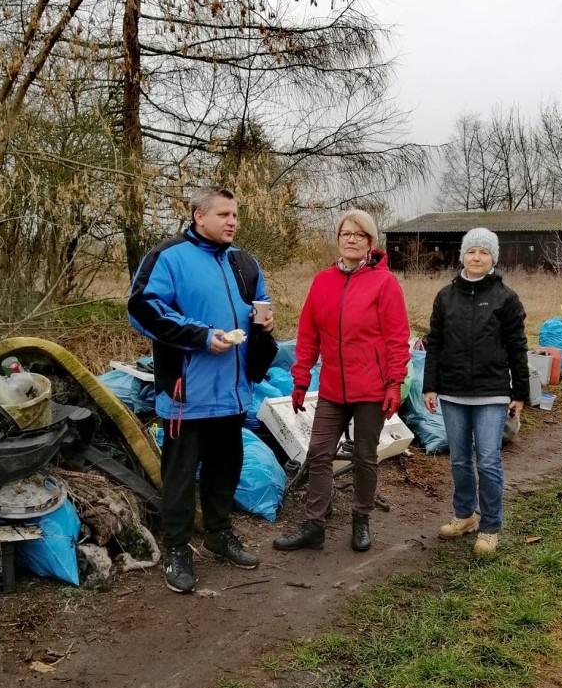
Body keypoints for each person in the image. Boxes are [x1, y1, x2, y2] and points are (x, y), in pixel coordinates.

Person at [128, 186, 274, 593]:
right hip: (185, 393)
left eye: (236, 215)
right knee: (179, 475)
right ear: (199, 216)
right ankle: (177, 548)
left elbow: (259, 302)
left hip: (232, 390)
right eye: (224, 214)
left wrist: (263, 320)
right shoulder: (168, 257)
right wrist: (201, 336)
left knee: (225, 468)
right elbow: (143, 309)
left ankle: (219, 533)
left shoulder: (244, 262)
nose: (233, 222)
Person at [273, 209, 410, 554]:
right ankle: (314, 525)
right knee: (319, 453)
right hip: (333, 387)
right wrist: (301, 378)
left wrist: (394, 383)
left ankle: (361, 520)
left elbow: (397, 338)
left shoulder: (384, 283)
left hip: (370, 389)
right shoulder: (323, 281)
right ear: (338, 239)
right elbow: (307, 335)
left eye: (359, 235)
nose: (351, 239)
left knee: (365, 456)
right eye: (345, 233)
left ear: (370, 243)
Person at [422, 227, 529, 557]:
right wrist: (430, 385)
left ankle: (491, 527)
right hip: (452, 392)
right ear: (462, 256)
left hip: (492, 393)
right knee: (458, 460)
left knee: (487, 460)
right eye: (472, 251)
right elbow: (435, 343)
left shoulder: (506, 299)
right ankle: (465, 515)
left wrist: (520, 393)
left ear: (493, 258)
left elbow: (517, 347)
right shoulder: (445, 297)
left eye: (484, 252)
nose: (477, 257)